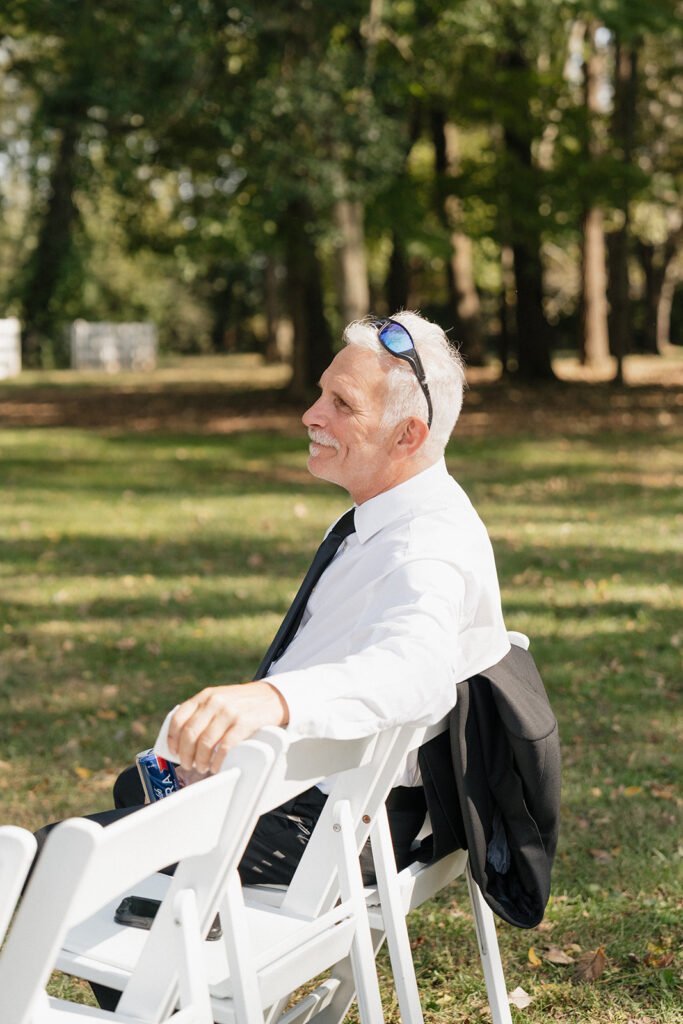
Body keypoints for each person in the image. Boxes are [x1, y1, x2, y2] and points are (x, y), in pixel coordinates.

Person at [35, 310, 511, 1008]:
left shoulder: (425, 546)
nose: (309, 413)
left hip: (333, 827)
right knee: (140, 787)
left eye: (341, 404)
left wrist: (273, 702)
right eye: (320, 392)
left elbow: (415, 667)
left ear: (408, 434)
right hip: (331, 801)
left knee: (53, 864)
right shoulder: (387, 513)